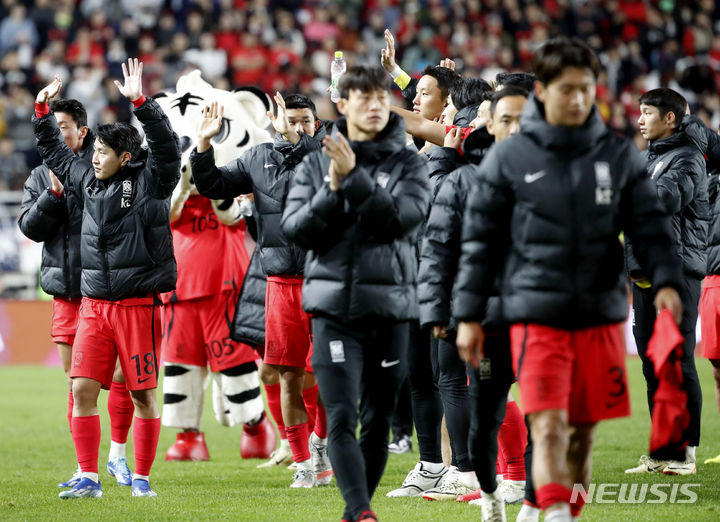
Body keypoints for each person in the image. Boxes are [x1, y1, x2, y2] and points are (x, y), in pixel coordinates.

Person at [453, 38, 683, 522]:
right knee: (551, 426)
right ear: (544, 94)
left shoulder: (617, 155)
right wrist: (469, 314)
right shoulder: (509, 159)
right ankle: (554, 514)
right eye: (567, 90)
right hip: (536, 316)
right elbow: (479, 243)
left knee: (582, 433)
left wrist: (665, 282)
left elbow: (650, 226)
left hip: (600, 315)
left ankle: (564, 513)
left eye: (587, 89)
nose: (579, 99)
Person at [281, 65, 430, 522]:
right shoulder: (313, 163)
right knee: (342, 416)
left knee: (378, 420)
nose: (372, 105)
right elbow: (295, 230)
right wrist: (331, 189)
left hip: (390, 309)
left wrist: (355, 181)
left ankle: (354, 514)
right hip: (333, 310)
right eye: (361, 98)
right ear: (341, 105)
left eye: (379, 97)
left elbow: (405, 220)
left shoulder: (409, 161)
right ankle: (361, 511)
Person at [32, 59, 181, 499]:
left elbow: (168, 147)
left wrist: (141, 102)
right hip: (94, 307)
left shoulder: (153, 182)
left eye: (102, 153)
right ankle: (89, 478)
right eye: (92, 150)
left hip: (138, 308)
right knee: (81, 389)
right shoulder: (84, 178)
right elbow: (55, 152)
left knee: (142, 397)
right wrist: (42, 113)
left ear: (125, 158)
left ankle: (142, 479)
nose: (93, 158)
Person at [190, 92, 332, 488]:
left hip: (325, 282)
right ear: (274, 119)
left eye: (305, 120)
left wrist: (297, 139)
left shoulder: (325, 153)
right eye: (291, 119)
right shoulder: (257, 158)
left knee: (327, 373)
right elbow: (213, 185)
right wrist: (204, 145)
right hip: (280, 283)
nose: (298, 126)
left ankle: (320, 444)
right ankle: (304, 462)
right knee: (287, 376)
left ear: (315, 124)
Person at [418, 86, 529, 511]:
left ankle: (536, 495)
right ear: (491, 125)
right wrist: (438, 311)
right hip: (486, 318)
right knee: (487, 411)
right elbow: (439, 249)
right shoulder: (465, 179)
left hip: (541, 315)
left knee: (550, 411)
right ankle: (491, 493)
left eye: (522, 118)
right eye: (503, 118)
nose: (514, 127)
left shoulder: (557, 175)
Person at [18, 98, 136, 490]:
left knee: (122, 378)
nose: (57, 132)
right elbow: (30, 229)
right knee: (77, 383)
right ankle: (85, 468)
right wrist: (52, 197)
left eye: (64, 126)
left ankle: (118, 455)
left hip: (108, 292)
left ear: (81, 131)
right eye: (53, 126)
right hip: (68, 293)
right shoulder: (39, 176)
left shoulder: (100, 170)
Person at [625, 88, 708, 476]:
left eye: (646, 113)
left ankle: (685, 452)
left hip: (677, 272)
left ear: (670, 118)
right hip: (643, 274)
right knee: (650, 362)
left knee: (677, 360)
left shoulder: (690, 159)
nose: (639, 120)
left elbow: (662, 200)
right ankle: (664, 450)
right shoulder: (644, 159)